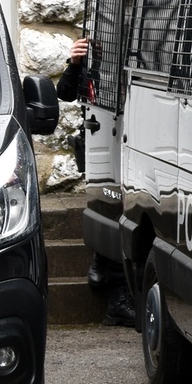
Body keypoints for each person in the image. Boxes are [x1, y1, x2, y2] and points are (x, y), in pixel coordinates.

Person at [57, 37, 136, 328]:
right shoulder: (93, 59)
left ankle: (102, 268)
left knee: (119, 209)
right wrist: (75, 63)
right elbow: (64, 93)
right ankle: (116, 296)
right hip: (102, 144)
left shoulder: (140, 55)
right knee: (111, 206)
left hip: (131, 145)